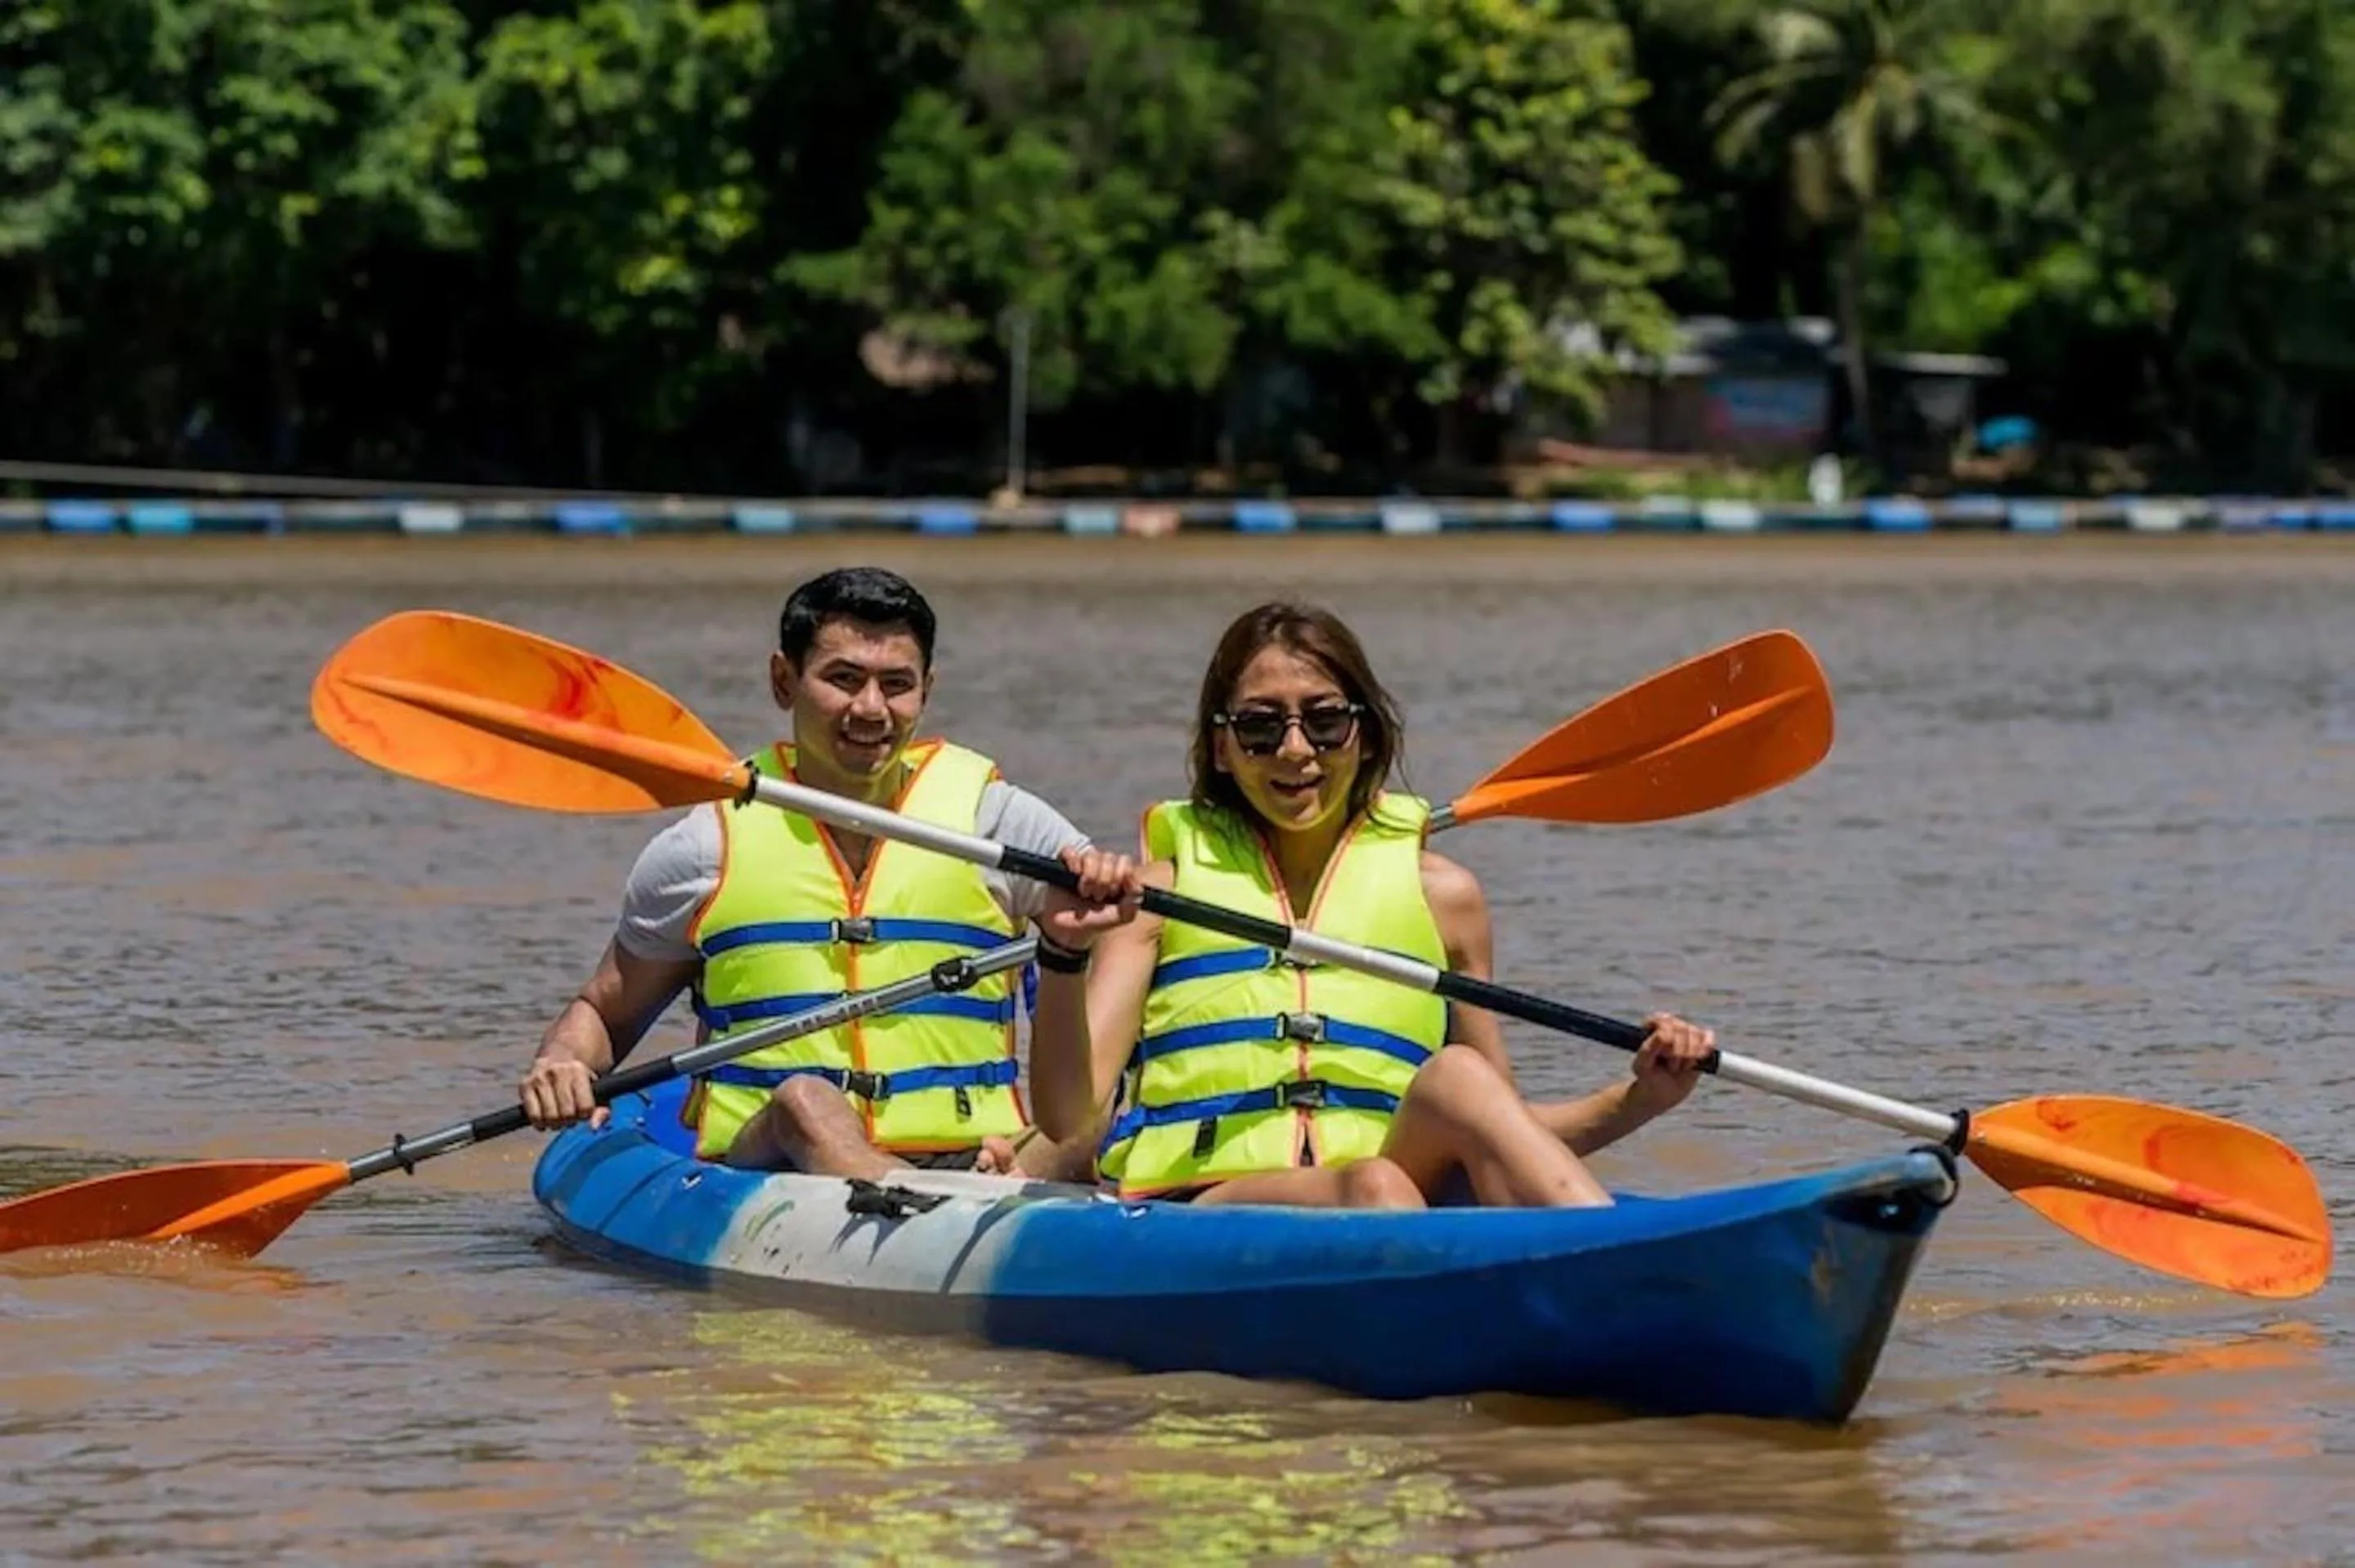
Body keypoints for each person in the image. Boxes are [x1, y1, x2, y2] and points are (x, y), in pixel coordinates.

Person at [1030, 601, 1716, 1209]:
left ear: (1364, 735)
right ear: (1222, 747)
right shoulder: (1158, 898)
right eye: (1261, 727)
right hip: (1207, 1204)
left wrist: (1639, 1100)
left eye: (1325, 721)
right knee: (1376, 1187)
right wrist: (1063, 954)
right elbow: (1067, 1115)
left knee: (1457, 1078)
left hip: (1386, 1187)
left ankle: (1601, 1254)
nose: (1296, 750)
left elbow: (1503, 1131)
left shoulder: (1446, 898)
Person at [517, 567, 1137, 1180]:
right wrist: (563, 1062)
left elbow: (1121, 948)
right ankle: (915, 1199)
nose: (871, 709)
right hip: (775, 1167)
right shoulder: (704, 845)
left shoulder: (998, 820)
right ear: (783, 680)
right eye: (843, 680)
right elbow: (605, 1012)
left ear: (927, 689)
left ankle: (974, 1194)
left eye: (897, 685)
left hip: (979, 1163)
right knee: (805, 1101)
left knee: (1094, 1113)